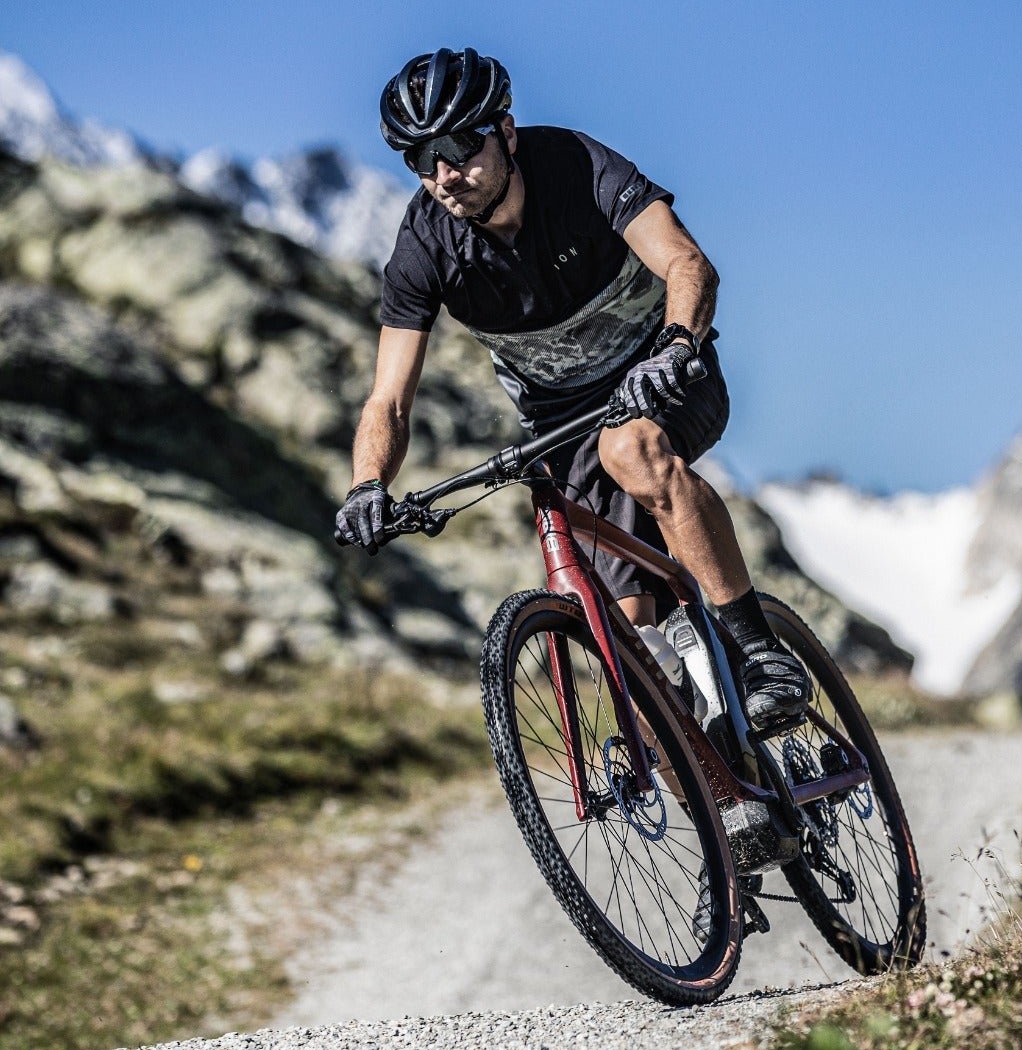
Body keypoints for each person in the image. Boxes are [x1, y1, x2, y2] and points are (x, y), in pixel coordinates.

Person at [332, 47, 808, 729]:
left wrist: (676, 346)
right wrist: (367, 483)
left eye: (459, 145)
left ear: (506, 131)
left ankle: (760, 653)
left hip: (665, 371)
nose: (444, 173)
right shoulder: (424, 247)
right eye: (419, 157)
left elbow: (687, 263)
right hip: (563, 422)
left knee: (632, 450)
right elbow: (388, 401)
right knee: (633, 660)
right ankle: (736, 819)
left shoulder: (578, 168)